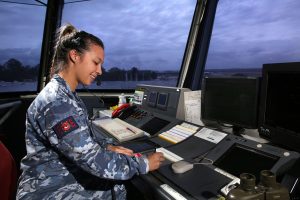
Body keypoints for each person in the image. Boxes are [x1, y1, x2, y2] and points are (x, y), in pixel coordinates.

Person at [16, 23, 164, 200]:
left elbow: (83, 138)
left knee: (118, 184)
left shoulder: (68, 95)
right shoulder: (56, 102)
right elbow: (94, 161)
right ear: (75, 56)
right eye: (96, 62)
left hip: (59, 177)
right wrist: (144, 163)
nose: (100, 71)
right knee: (119, 186)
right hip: (48, 190)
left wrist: (107, 146)